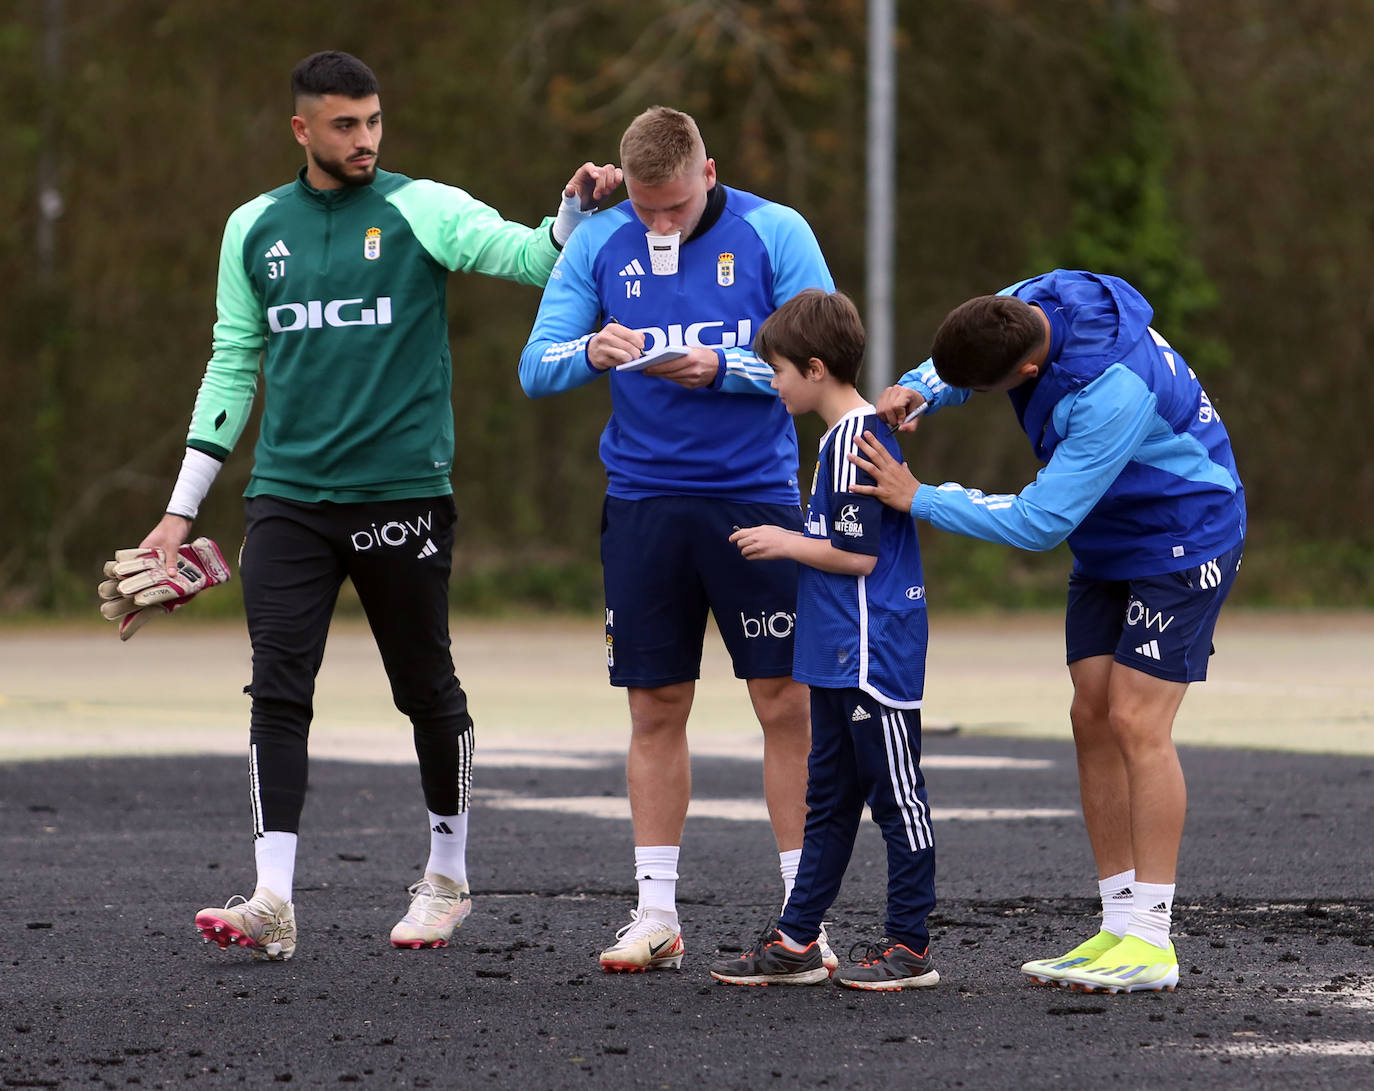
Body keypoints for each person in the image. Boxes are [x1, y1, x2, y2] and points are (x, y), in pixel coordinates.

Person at [130, 50, 622, 961]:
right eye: (345, 124)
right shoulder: (253, 228)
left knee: (425, 691)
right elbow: (232, 364)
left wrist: (570, 219)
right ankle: (272, 897)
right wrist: (178, 511)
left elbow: (525, 256)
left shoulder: (420, 206)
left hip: (402, 494)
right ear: (301, 130)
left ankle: (446, 875)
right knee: (278, 687)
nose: (364, 139)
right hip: (285, 498)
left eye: (374, 121)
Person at [849, 269, 1245, 994]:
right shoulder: (1033, 294)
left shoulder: (1111, 389)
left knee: (1135, 718)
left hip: (1184, 534)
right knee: (1089, 715)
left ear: (1028, 370)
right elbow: (966, 355)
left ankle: (1153, 940)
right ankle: (1116, 925)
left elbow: (1039, 522)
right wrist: (921, 387)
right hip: (1110, 537)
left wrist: (921, 498)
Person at [518, 106, 835, 973]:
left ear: (708, 173)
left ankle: (803, 920)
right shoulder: (598, 239)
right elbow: (533, 367)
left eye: (676, 207)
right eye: (648, 209)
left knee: (786, 702)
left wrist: (728, 369)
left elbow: (827, 361)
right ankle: (656, 913)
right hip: (645, 504)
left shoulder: (777, 230)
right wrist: (591, 350)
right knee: (655, 706)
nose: (661, 223)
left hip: (756, 500)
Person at [707, 289, 940, 991]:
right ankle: (797, 938)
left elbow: (858, 554)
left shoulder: (856, 438)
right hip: (837, 652)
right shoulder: (842, 436)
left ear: (813, 368)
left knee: (897, 798)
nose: (771, 384)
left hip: (874, 653)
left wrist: (786, 540)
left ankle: (911, 945)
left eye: (776, 370)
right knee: (829, 800)